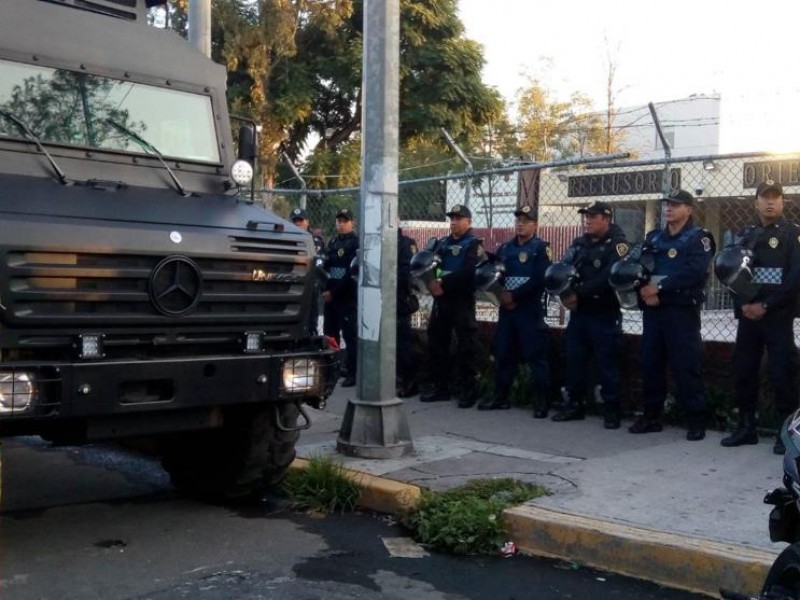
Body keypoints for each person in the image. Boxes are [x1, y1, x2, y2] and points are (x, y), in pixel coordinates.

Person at [720, 181, 800, 454]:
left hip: (777, 315)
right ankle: (746, 428)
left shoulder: (792, 235)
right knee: (744, 371)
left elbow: (794, 279)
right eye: (765, 198)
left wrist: (766, 304)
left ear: (782, 202)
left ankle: (785, 433)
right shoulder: (746, 235)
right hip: (749, 317)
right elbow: (731, 272)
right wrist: (744, 304)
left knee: (782, 374)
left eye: (776, 198)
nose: (770, 203)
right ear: (755, 202)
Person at [629, 189, 715, 441]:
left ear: (688, 210)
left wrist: (660, 288)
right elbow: (639, 267)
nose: (669, 209)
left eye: (676, 205)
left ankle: (696, 420)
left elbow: (695, 272)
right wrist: (643, 288)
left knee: (686, 365)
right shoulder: (654, 238)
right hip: (653, 311)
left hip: (681, 313)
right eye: (667, 204)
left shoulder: (699, 238)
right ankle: (651, 416)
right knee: (650, 363)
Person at [551, 201, 630, 428]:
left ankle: (612, 410)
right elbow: (564, 268)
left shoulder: (618, 244)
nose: (588, 220)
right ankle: (574, 405)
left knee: (607, 362)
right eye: (586, 216)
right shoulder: (579, 243)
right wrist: (565, 294)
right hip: (580, 313)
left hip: (604, 312)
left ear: (606, 219)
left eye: (593, 216)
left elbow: (608, 277)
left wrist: (579, 294)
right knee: (574, 358)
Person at [478, 204, 552, 416]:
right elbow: (497, 274)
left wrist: (514, 296)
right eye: (518, 220)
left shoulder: (541, 248)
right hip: (507, 310)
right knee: (504, 354)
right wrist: (501, 295)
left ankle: (541, 403)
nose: (520, 224)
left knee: (535, 356)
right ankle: (500, 398)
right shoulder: (505, 248)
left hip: (529, 310)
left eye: (526, 221)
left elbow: (540, 279)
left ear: (535, 225)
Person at [420, 204, 485, 408]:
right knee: (437, 343)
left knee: (467, 345)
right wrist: (431, 282)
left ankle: (468, 390)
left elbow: (469, 272)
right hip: (442, 300)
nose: (454, 222)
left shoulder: (474, 244)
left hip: (461, 300)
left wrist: (443, 283)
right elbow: (432, 264)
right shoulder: (443, 243)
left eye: (459, 218)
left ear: (469, 221)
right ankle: (441, 388)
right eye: (452, 218)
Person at [322, 208, 359, 387]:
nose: (341, 224)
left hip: (346, 297)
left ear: (352, 222)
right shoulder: (334, 242)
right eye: (339, 221)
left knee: (350, 336)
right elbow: (327, 267)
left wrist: (333, 292)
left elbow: (351, 274)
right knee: (330, 334)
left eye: (345, 221)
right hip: (331, 297)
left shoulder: (355, 243)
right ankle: (333, 369)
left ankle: (353, 372)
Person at [291, 207, 325, 336]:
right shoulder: (287, 239)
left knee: (311, 316)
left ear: (307, 222)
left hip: (310, 283)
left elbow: (319, 264)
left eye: (300, 220)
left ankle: (312, 335)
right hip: (292, 282)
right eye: (295, 221)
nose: (298, 224)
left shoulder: (315, 241)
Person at [397, 228, 420, 398]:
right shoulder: (375, 241)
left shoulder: (405, 243)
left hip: (399, 299)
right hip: (380, 298)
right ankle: (395, 379)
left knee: (403, 343)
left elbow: (408, 273)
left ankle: (409, 382)